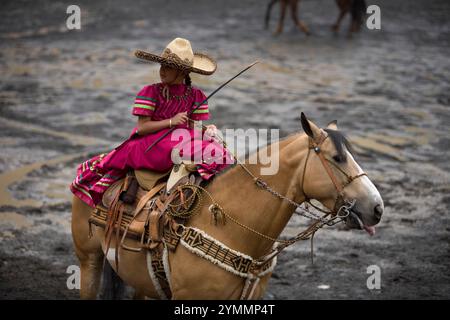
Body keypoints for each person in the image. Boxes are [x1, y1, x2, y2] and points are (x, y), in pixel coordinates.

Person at [70, 38, 234, 208]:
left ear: (182, 72)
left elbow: (195, 126)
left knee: (219, 149)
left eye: (168, 67)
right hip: (151, 143)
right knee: (202, 150)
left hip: (182, 138)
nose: (162, 71)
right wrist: (172, 121)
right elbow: (142, 128)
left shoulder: (196, 95)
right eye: (162, 66)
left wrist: (207, 130)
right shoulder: (150, 92)